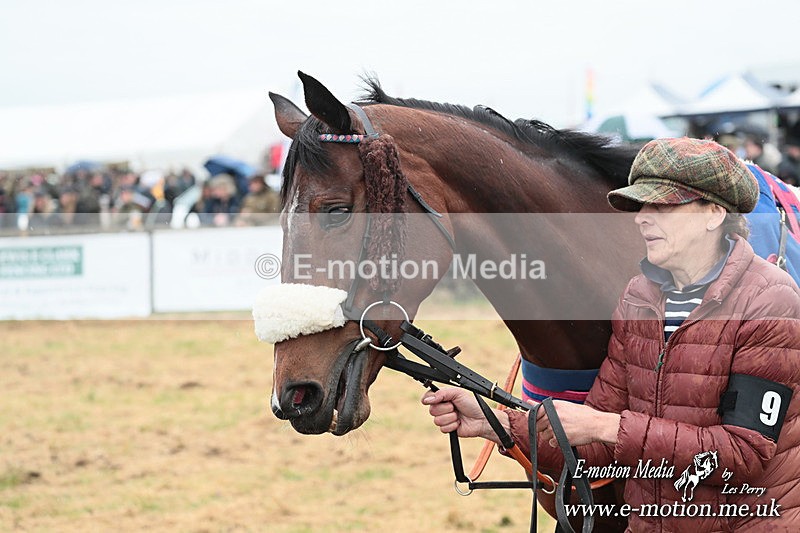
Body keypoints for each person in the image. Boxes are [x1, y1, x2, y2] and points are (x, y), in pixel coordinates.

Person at [423, 138, 800, 531]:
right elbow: (595, 444)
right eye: (640, 206)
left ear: (713, 213)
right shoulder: (639, 297)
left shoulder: (770, 301)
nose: (641, 218)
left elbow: (742, 455)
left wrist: (604, 426)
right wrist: (493, 422)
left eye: (661, 205)